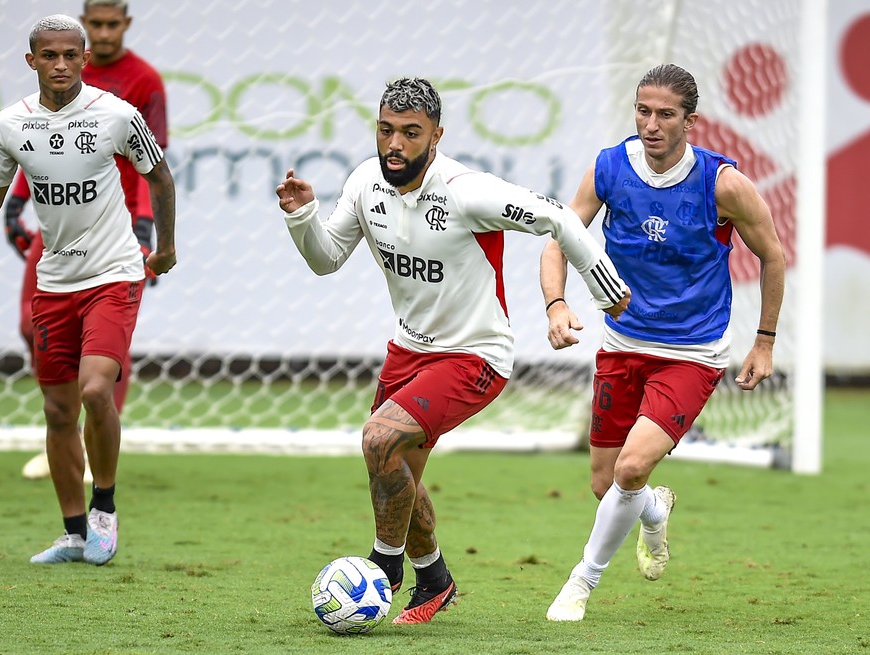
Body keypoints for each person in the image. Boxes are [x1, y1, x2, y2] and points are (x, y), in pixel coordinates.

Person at [276, 77, 630, 624]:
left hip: (475, 355)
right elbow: (326, 260)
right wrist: (302, 218)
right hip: (408, 350)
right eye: (386, 130)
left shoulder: (467, 191)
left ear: (436, 135)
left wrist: (603, 287)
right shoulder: (365, 182)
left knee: (378, 439)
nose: (395, 144)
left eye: (410, 132)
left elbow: (559, 216)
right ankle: (435, 579)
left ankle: (383, 567)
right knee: (393, 466)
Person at [0, 14, 176, 566]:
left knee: (95, 390)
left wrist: (165, 247)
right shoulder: (10, 124)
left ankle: (104, 506)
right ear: (31, 61)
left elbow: (159, 176)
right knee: (58, 410)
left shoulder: (117, 115)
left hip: (114, 273)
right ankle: (72, 533)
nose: (60, 64)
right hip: (54, 281)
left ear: (84, 59)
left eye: (70, 55)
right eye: (49, 55)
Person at [540, 63, 786, 621]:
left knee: (629, 469)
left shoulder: (722, 184)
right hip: (622, 343)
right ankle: (654, 509)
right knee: (607, 484)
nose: (651, 125)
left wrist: (764, 341)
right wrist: (556, 304)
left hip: (692, 353)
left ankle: (580, 584)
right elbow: (558, 239)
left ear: (690, 122)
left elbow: (773, 255)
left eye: (666, 115)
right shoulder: (609, 168)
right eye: (643, 111)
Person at [5, 0, 169, 481]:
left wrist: (145, 227)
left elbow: (154, 163)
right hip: (57, 222)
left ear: (125, 24)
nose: (103, 32)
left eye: (111, 24)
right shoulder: (58, 73)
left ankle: (93, 438)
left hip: (115, 224)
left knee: (105, 345)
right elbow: (39, 145)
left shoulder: (144, 81)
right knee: (30, 325)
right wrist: (17, 201)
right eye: (95, 23)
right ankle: (66, 428)